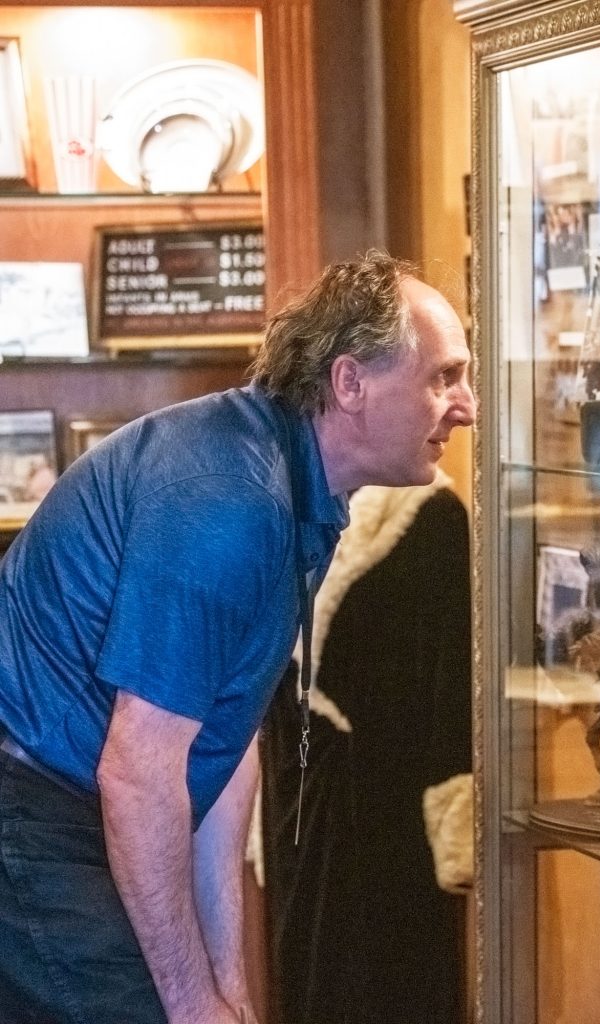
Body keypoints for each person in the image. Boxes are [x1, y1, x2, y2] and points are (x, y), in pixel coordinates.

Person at [0, 250, 476, 1024]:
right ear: (350, 383)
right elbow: (140, 773)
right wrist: (192, 1006)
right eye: (441, 377)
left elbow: (222, 755)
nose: (466, 406)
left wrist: (229, 989)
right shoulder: (229, 503)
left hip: (77, 805)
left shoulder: (297, 483)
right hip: (32, 808)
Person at [262, 469, 472, 1024]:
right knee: (305, 969)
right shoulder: (291, 499)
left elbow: (454, 678)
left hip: (388, 807)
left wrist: (455, 803)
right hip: (298, 791)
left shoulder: (435, 520)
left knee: (387, 978)